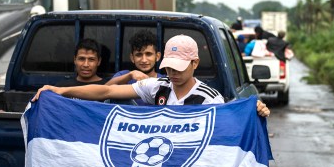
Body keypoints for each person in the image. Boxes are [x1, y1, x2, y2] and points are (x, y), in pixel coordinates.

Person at [33, 34, 270, 117]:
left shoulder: (209, 99)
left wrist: (253, 110)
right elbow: (106, 91)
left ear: (195, 63)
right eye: (169, 66)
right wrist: (60, 91)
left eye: (179, 67)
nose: (172, 73)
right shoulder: (157, 86)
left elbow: (229, 122)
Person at [105, 30, 163, 105]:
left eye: (148, 54)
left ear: (157, 56)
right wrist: (129, 76)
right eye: (139, 55)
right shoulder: (124, 75)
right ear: (132, 58)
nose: (144, 60)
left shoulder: (164, 81)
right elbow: (103, 92)